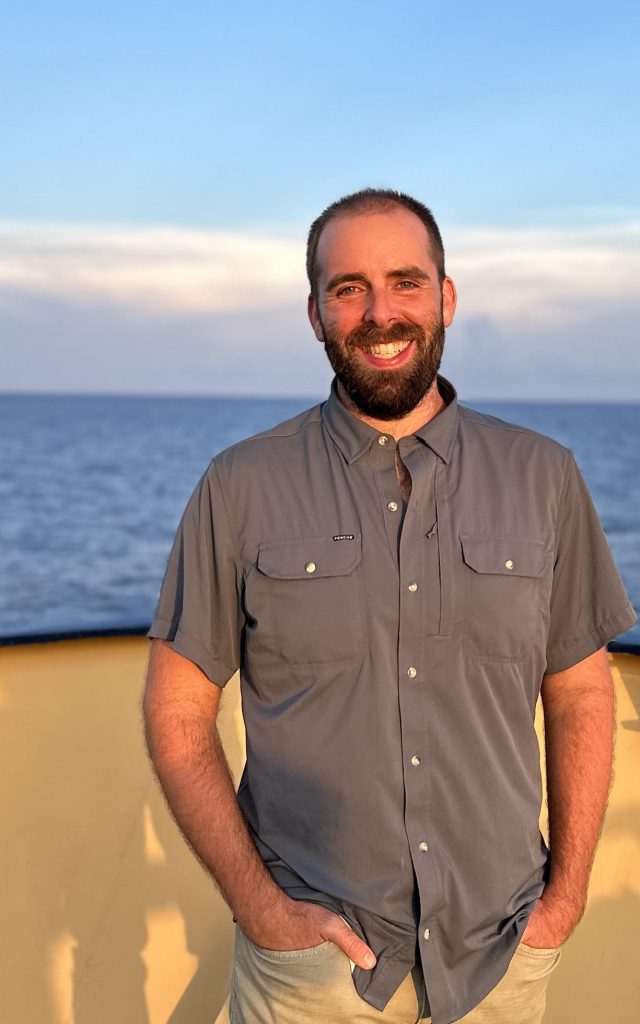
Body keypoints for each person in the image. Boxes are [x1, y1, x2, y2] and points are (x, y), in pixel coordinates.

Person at [143, 188, 636, 1024]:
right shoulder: (239, 486)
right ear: (315, 313)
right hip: (310, 974)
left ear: (446, 297)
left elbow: (582, 692)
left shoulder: (545, 477)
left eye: (406, 282)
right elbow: (177, 712)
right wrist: (264, 913)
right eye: (348, 289)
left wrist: (566, 900)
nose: (380, 313)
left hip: (501, 960)